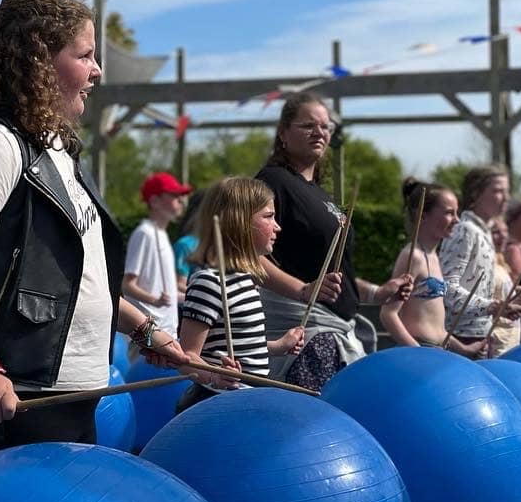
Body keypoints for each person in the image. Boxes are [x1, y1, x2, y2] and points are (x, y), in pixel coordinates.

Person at [0, 0, 192, 468]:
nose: (97, 71)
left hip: (64, 396)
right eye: (85, 55)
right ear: (38, 62)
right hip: (11, 398)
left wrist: (143, 329)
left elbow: (74, 279)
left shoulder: (56, 151)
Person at [255, 95, 410, 373]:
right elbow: (245, 255)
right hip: (305, 337)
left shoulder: (319, 193)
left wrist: (378, 293)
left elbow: (330, 271)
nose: (319, 133)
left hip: (335, 326)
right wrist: (303, 290)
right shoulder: (272, 181)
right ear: (283, 132)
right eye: (308, 126)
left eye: (326, 126)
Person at [175, 178, 303, 407]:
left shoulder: (246, 280)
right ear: (240, 223)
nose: (277, 226)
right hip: (217, 404)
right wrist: (214, 375)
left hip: (248, 401)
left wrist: (279, 346)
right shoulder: (209, 283)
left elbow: (238, 344)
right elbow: (186, 357)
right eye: (268, 216)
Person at [381, 182, 466, 350]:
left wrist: (465, 349)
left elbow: (437, 327)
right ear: (423, 215)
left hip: (435, 350)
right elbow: (388, 313)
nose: (456, 220)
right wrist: (418, 351)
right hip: (419, 349)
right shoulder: (413, 256)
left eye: (457, 213)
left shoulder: (433, 256)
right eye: (449, 213)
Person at [439, 163, 510, 353]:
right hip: (460, 337)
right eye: (498, 191)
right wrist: (490, 307)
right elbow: (447, 287)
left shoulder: (483, 231)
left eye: (507, 191)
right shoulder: (464, 230)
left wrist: (508, 300)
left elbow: (478, 286)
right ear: (475, 193)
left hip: (480, 335)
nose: (506, 198)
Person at [122, 170, 191, 339]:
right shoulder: (144, 234)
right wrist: (154, 301)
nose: (180, 200)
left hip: (166, 331)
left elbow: (164, 293)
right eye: (174, 195)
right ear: (155, 201)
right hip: (149, 336)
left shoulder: (161, 234)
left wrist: (193, 297)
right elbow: (127, 285)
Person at [488, 217, 521, 355]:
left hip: (510, 342)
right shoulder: (485, 266)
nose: (503, 236)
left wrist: (516, 298)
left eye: (505, 231)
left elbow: (501, 298)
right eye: (496, 232)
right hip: (496, 344)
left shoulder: (502, 265)